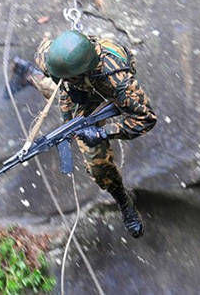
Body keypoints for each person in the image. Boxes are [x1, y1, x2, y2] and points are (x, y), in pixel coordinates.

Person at [9, 30, 157, 238]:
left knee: (98, 166)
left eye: (65, 76)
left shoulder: (119, 81)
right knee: (57, 91)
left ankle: (123, 200)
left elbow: (146, 118)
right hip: (78, 87)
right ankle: (27, 73)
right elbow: (46, 54)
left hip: (104, 89)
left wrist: (103, 133)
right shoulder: (51, 56)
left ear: (80, 72)